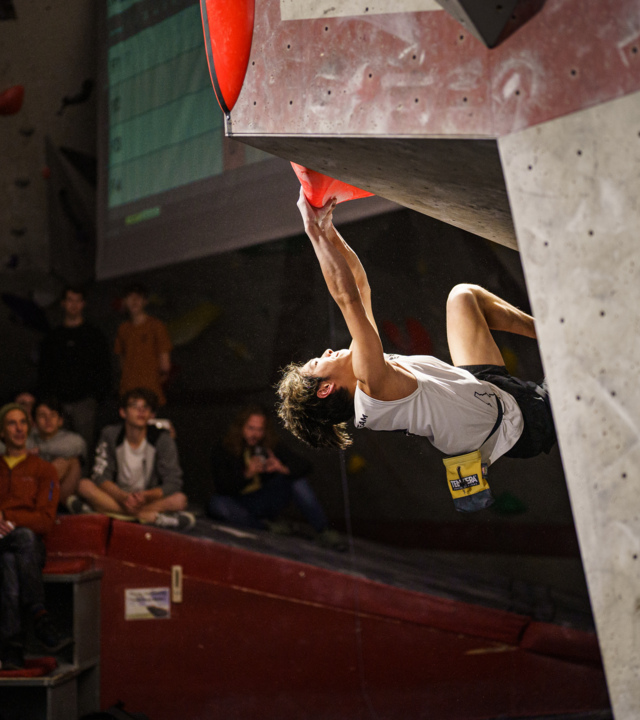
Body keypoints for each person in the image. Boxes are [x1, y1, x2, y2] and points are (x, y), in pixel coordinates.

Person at [277, 192, 556, 488]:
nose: (328, 350)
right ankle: (565, 343)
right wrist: (311, 231)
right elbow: (346, 298)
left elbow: (359, 286)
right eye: (318, 362)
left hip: (484, 389)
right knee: (585, 359)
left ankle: (551, 333)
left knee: (463, 297)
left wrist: (328, 228)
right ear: (326, 389)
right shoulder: (374, 389)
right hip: (522, 425)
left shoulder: (365, 366)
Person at [0, 403, 67, 669]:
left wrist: (4, 516)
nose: (19, 428)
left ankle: (12, 651)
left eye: (23, 422)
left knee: (12, 561)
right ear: (2, 431)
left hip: (28, 545)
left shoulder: (45, 470)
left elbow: (46, 522)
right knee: (22, 538)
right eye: (12, 423)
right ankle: (39, 613)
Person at [210, 406, 345, 550]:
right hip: (240, 502)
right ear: (241, 427)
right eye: (250, 428)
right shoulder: (225, 448)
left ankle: (324, 531)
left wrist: (281, 468)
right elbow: (222, 486)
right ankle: (265, 526)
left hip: (264, 500)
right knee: (218, 505)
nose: (255, 434)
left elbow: (305, 465)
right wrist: (247, 474)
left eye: (259, 429)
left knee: (296, 481)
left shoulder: (270, 445)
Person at [72, 388, 192, 529]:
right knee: (84, 486)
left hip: (146, 498)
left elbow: (173, 481)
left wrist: (145, 496)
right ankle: (147, 516)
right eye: (134, 406)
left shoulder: (162, 439)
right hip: (117, 496)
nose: (140, 411)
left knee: (179, 500)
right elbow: (100, 476)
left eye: (145, 407)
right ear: (123, 412)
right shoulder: (110, 434)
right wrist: (123, 497)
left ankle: (103, 511)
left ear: (151, 414)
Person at [37, 286, 110, 452]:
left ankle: (83, 479)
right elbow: (45, 369)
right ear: (63, 303)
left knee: (84, 448)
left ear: (83, 304)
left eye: (78, 301)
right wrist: (48, 400)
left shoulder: (94, 335)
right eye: (70, 300)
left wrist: (96, 397)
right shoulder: (54, 337)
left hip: (85, 402)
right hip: (58, 403)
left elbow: (103, 367)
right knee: (57, 448)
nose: (74, 305)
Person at [114, 283, 172, 408]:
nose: (134, 301)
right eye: (130, 297)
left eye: (138, 297)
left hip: (150, 392)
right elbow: (121, 362)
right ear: (124, 301)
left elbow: (165, 365)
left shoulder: (156, 326)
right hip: (128, 392)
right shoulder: (123, 329)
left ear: (145, 301)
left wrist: (154, 379)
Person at [31, 397, 86, 504]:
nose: (48, 420)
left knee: (72, 461)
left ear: (60, 421)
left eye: (53, 415)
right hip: (30, 486)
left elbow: (79, 446)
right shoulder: (27, 437)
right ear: (34, 422)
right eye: (42, 415)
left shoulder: (70, 439)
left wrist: (41, 450)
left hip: (60, 493)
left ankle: (45, 502)